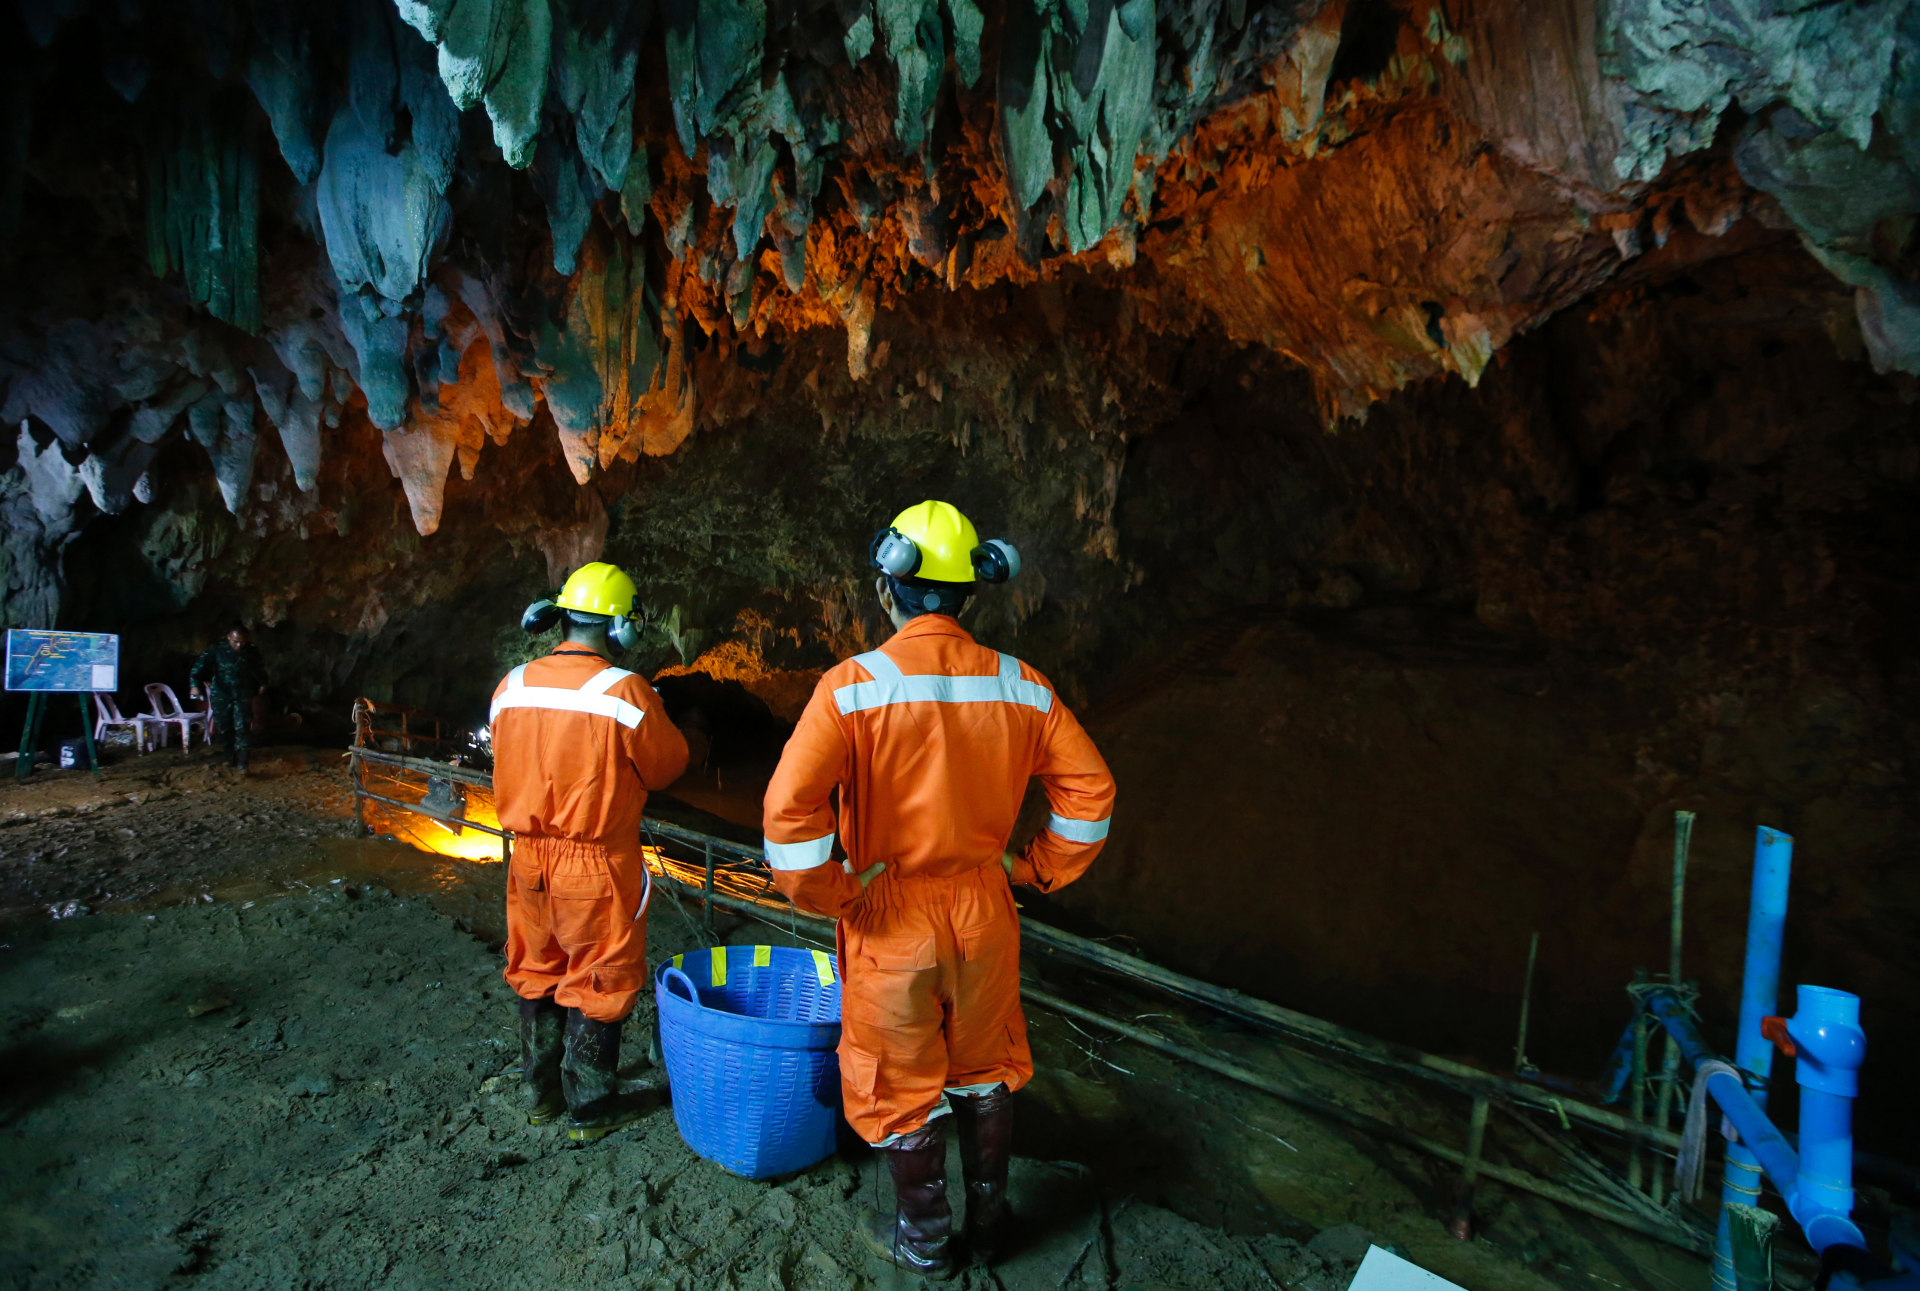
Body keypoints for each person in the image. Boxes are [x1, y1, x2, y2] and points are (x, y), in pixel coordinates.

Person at [762, 501, 1117, 1279]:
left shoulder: (852, 688)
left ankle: (926, 1242)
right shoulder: (1023, 687)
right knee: (985, 1067)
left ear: (889, 589)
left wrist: (836, 891)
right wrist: (1030, 868)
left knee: (898, 1082)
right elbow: (1091, 794)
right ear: (967, 592)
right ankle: (992, 1226)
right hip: (985, 909)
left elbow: (788, 818)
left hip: (890, 910)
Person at [489, 562, 690, 1142]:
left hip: (527, 859)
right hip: (595, 861)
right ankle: (591, 1108)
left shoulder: (513, 684)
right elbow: (666, 766)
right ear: (623, 625)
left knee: (535, 969)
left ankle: (540, 1096)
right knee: (599, 978)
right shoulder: (625, 692)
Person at [189, 624, 266, 772]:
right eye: (235, 642)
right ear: (229, 638)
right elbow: (198, 667)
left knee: (243, 727)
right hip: (222, 694)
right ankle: (230, 756)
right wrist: (194, 685)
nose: (238, 645)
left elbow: (259, 667)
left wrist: (263, 682)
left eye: (241, 642)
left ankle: (243, 763)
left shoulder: (251, 651)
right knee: (225, 727)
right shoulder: (216, 650)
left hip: (242, 694)